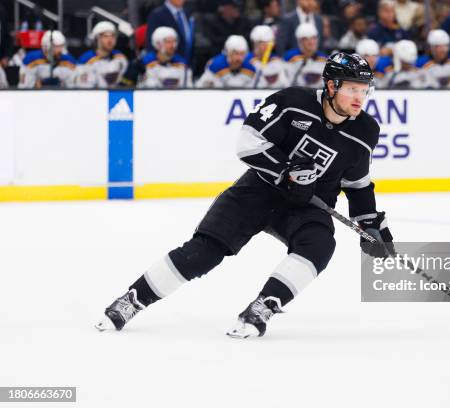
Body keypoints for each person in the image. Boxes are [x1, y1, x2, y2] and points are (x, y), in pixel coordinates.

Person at [95, 52, 395, 339]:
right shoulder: (292, 102)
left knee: (318, 247)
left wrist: (368, 223)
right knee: (203, 253)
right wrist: (287, 171)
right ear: (331, 86)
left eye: (364, 89)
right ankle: (133, 300)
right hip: (258, 190)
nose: (359, 98)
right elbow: (247, 141)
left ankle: (263, 307)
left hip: (306, 205)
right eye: (352, 89)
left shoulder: (366, 130)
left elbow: (357, 183)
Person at [75, 22, 128, 88]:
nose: (110, 40)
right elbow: (82, 88)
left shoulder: (120, 57)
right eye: (106, 36)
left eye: (113, 36)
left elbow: (127, 82)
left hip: (115, 96)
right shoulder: (86, 59)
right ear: (97, 39)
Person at [284, 23, 327, 88]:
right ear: (299, 41)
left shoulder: (323, 58)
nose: (311, 42)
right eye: (306, 39)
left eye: (314, 38)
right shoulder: (291, 57)